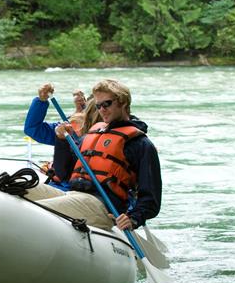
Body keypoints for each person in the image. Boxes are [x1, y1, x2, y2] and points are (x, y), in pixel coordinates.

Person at [25, 79, 162, 231]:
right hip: (74, 195)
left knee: (29, 211)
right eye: (98, 105)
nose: (101, 109)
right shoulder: (90, 136)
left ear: (123, 103)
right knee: (17, 189)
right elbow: (63, 173)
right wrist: (62, 141)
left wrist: (134, 219)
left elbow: (151, 197)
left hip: (101, 206)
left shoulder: (141, 144)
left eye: (106, 104)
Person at [24, 84, 101, 190]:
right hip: (58, 184)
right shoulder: (69, 127)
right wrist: (41, 101)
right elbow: (33, 129)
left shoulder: (112, 133)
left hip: (79, 189)